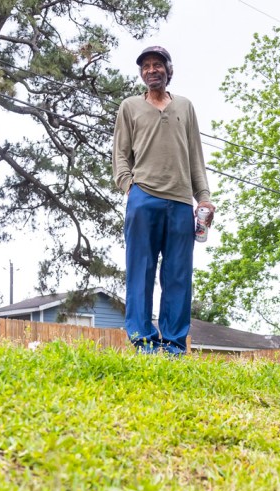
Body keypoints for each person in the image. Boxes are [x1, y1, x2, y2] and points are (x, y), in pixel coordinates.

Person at [112, 45, 215, 355]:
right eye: (146, 66)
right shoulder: (129, 107)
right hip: (144, 198)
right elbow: (120, 153)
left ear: (169, 71)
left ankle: (172, 345)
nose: (151, 70)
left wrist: (204, 198)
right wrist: (128, 186)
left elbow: (195, 156)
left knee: (178, 277)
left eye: (158, 65)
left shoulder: (185, 107)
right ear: (142, 73)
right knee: (140, 271)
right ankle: (143, 341)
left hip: (182, 204)